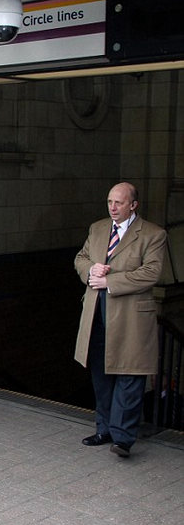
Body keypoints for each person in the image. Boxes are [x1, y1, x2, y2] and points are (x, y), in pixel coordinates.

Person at [74, 182, 167, 457]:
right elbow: (80, 258)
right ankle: (104, 429)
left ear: (133, 205)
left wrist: (109, 281)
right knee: (100, 373)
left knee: (130, 374)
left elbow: (151, 273)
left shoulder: (153, 234)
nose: (113, 207)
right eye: (110, 202)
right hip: (97, 314)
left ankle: (123, 438)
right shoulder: (98, 228)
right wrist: (91, 268)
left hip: (130, 317)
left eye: (119, 203)